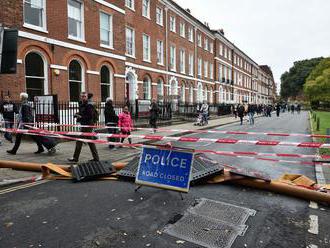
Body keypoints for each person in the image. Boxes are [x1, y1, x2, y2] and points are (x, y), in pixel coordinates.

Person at [68, 92, 99, 162]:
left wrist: (80, 117)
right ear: (80, 97)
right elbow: (83, 113)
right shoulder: (82, 104)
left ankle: (75, 158)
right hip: (84, 125)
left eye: (85, 96)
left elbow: (90, 116)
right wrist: (77, 114)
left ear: (87, 97)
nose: (83, 97)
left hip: (88, 125)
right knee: (90, 142)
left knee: (79, 140)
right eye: (82, 96)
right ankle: (96, 158)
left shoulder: (89, 105)